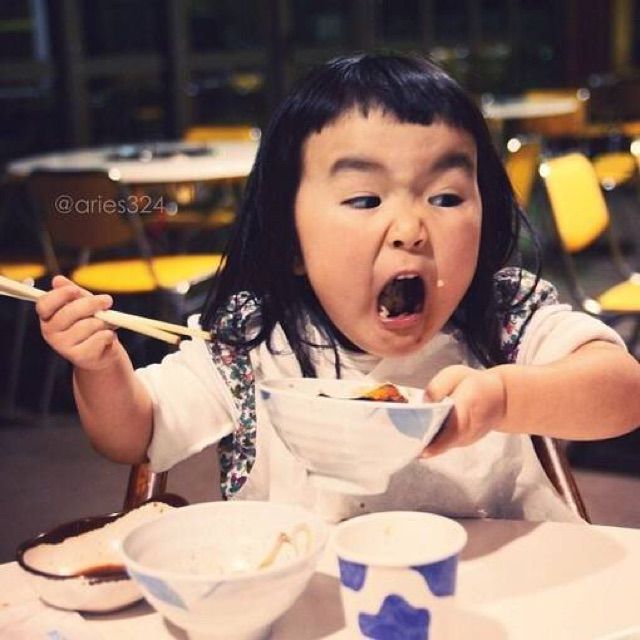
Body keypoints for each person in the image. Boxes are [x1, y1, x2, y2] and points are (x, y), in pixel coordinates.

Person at [36, 53, 640, 523]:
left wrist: (506, 398)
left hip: (499, 604)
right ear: (292, 240)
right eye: (365, 200)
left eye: (445, 197)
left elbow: (622, 392)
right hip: (317, 606)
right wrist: (100, 366)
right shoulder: (254, 343)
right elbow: (135, 432)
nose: (410, 229)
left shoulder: (504, 318)